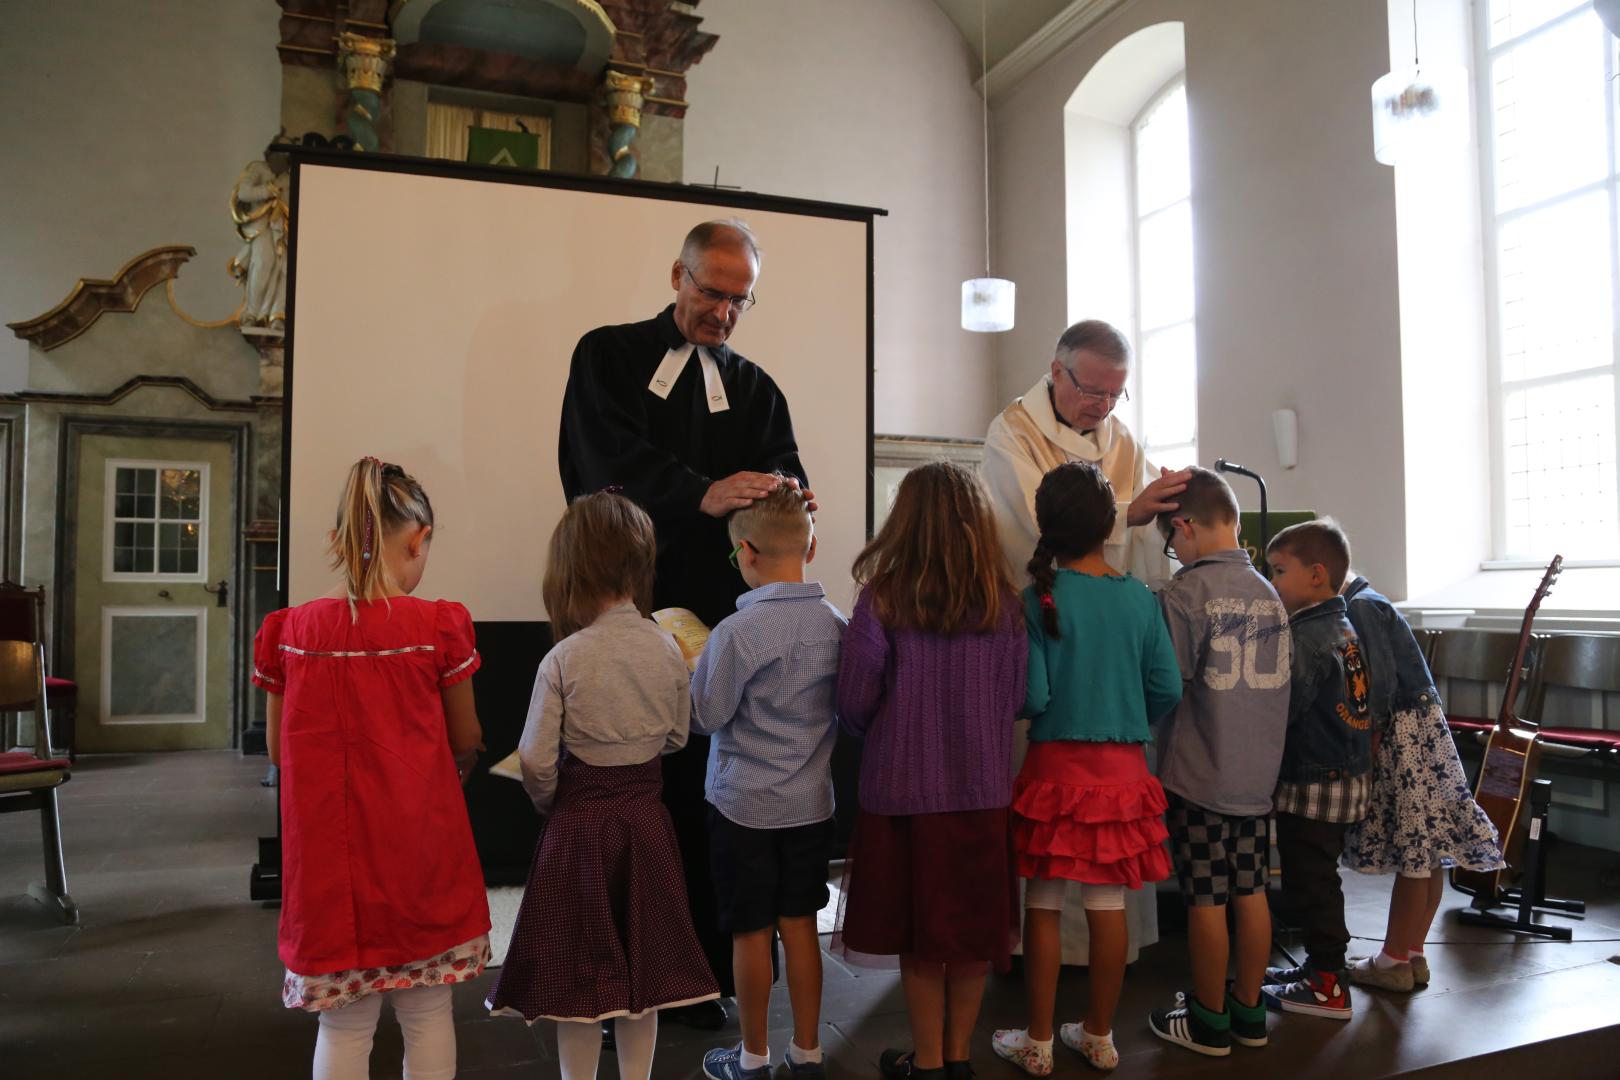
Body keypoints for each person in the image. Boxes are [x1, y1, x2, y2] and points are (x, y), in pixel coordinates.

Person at [558, 219, 809, 1026]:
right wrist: (696, 492)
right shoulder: (608, 356)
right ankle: (620, 977)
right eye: (712, 293)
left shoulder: (759, 387)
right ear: (677, 275)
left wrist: (792, 499)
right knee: (632, 798)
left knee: (711, 797)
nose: (724, 315)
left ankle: (698, 974)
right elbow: (598, 461)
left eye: (741, 301)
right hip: (625, 613)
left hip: (722, 628)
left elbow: (785, 468)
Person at [253, 457, 490, 1080]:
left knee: (344, 1024)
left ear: (336, 540)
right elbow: (465, 735)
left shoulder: (291, 631)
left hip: (331, 871)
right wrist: (457, 760)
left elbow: (280, 751)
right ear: (419, 540)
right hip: (418, 859)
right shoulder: (435, 625)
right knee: (428, 1011)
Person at [487, 491, 719, 1080]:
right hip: (647, 823)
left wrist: (551, 803)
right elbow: (676, 736)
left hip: (578, 829)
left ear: (571, 567)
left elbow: (538, 761)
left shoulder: (564, 657)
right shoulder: (666, 647)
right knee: (647, 972)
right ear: (639, 564)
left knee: (576, 974)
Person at [981, 319, 1190, 967]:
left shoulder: (1121, 439)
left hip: (1106, 669)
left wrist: (1163, 509)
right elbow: (1028, 530)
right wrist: (1131, 516)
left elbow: (1145, 549)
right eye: (1090, 391)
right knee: (1045, 845)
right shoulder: (1012, 432)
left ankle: (1096, 978)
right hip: (1047, 634)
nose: (1100, 407)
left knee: (1100, 863)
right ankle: (1029, 956)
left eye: (1113, 395)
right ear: (1057, 370)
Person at [834, 462, 1028, 1080]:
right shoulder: (1005, 603)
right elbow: (1017, 696)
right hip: (982, 792)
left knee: (918, 940)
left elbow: (854, 700)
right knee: (971, 937)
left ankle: (927, 1059)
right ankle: (960, 1057)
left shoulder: (884, 597)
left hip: (902, 795)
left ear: (905, 522)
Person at [992, 462, 1182, 1075]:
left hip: (1054, 773)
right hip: (1123, 778)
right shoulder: (1137, 599)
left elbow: (1035, 697)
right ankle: (1100, 1035)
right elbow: (1166, 687)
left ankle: (1040, 1039)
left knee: (1042, 904)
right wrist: (1127, 716)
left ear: (1046, 526)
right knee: (1108, 908)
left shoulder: (1037, 598)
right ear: (1109, 525)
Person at [689, 483, 846, 1080]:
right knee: (801, 925)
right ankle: (807, 1050)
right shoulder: (836, 623)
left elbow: (706, 716)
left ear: (746, 552)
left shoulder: (735, 632)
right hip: (810, 805)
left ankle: (752, 1056)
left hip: (743, 807)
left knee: (750, 931)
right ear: (812, 544)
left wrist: (691, 668)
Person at [1144, 468, 1290, 1057]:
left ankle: (1207, 1019)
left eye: (1171, 541)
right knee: (1251, 892)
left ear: (1183, 526)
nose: (1173, 552)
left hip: (1200, 775)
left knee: (1205, 896)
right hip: (1257, 778)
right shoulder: (1271, 593)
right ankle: (1250, 1011)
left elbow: (1169, 683)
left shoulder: (1185, 594)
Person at [1338, 571, 1502, 992]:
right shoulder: (1374, 599)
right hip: (1423, 731)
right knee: (1426, 854)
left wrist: (1370, 742)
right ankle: (1412, 953)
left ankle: (1392, 960)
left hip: (1402, 735)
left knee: (1415, 854)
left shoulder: (1360, 606)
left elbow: (1381, 685)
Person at [1259, 520, 1373, 1020]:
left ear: (1317, 575)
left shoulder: (1307, 637)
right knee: (1317, 877)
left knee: (1312, 884)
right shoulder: (1345, 626)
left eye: (1280, 571)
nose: (1274, 582)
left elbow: (1288, 707)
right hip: (1345, 775)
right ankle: (1317, 968)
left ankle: (1329, 985)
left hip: (1313, 784)